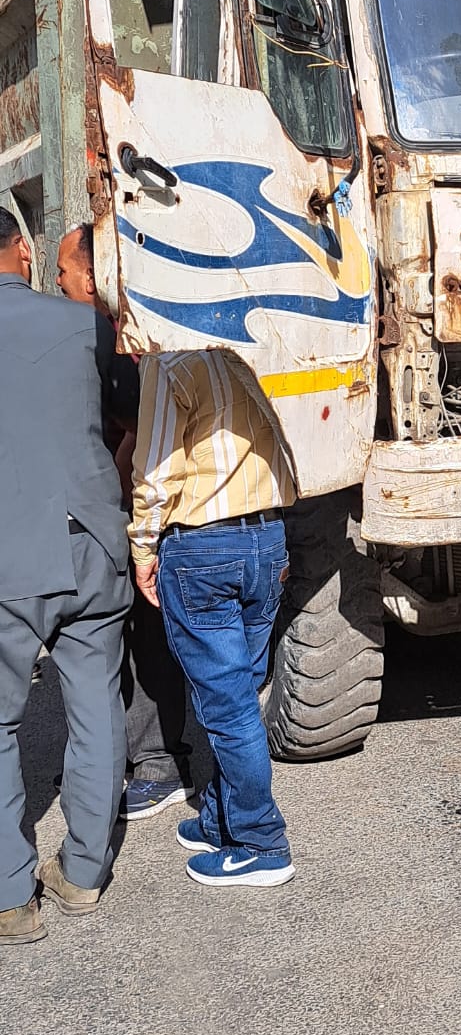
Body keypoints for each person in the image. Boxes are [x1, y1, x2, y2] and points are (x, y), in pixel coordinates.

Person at [0, 206, 132, 945]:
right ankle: (83, 873)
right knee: (95, 708)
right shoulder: (86, 326)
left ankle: (11, 897)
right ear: (21, 250)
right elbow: (127, 415)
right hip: (92, 544)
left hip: (7, 557)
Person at [130, 349, 297, 888]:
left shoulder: (170, 359)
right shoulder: (264, 342)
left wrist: (142, 548)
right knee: (241, 693)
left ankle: (260, 841)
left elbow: (156, 469)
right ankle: (224, 817)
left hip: (203, 546)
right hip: (268, 536)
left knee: (227, 707)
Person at [56, 224, 193, 818]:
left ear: (91, 276)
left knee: (145, 636)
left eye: (63, 271)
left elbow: (138, 424)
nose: (56, 282)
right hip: (126, 507)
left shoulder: (115, 341)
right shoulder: (92, 335)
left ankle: (160, 763)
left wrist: (113, 488)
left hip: (138, 511)